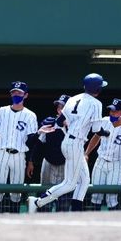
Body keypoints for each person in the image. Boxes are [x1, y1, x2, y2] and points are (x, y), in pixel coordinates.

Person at [28, 73, 109, 213]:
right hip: (75, 144)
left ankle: (76, 211)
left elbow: (59, 122)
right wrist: (107, 132)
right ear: (98, 89)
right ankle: (37, 201)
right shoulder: (97, 103)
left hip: (69, 142)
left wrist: (71, 128)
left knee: (84, 181)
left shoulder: (73, 99)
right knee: (70, 184)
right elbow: (97, 130)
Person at [0, 81, 38, 213]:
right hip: (2, 153)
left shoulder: (30, 115)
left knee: (16, 192)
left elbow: (32, 142)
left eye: (19, 92)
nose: (16, 94)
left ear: (25, 95)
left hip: (19, 155)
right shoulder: (2, 111)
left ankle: (14, 219)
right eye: (14, 92)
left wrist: (31, 160)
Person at [85, 98, 121, 210]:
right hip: (101, 161)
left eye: (115, 111)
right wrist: (86, 153)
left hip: (117, 164)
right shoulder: (105, 121)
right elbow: (96, 137)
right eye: (111, 110)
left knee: (111, 197)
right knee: (96, 195)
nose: (112, 113)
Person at [26, 94, 70, 211]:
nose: (60, 109)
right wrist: (31, 161)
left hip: (65, 164)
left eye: (63, 107)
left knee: (63, 199)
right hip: (49, 163)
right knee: (45, 195)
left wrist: (67, 126)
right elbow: (38, 144)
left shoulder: (75, 125)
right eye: (59, 107)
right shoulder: (50, 123)